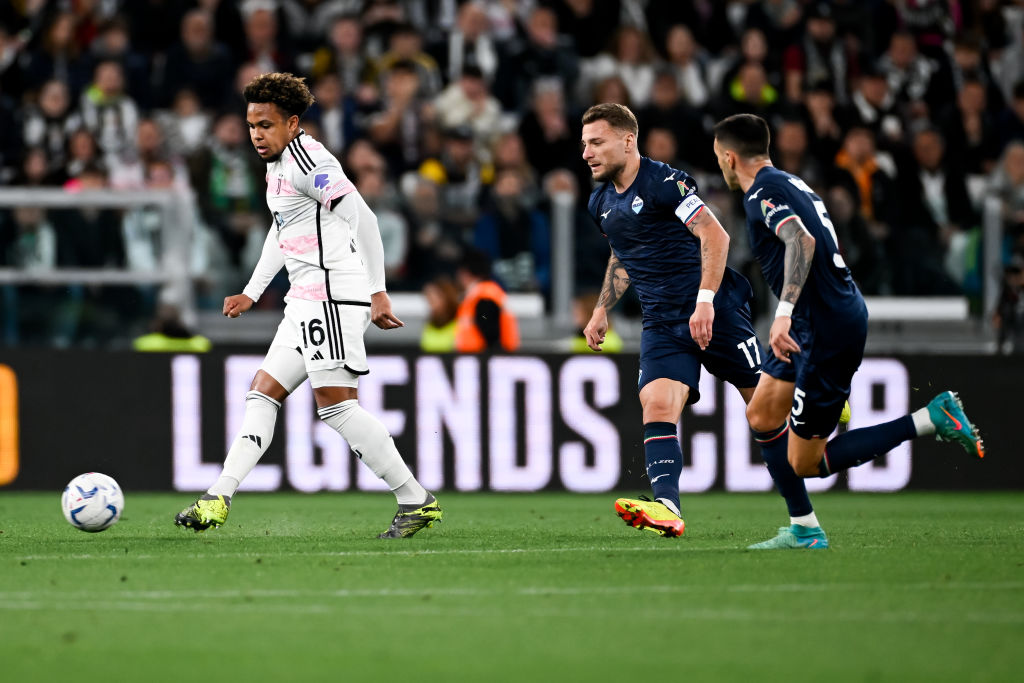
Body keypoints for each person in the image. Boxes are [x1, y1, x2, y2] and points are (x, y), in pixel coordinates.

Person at [174, 72, 441, 539]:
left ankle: (414, 497)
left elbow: (365, 217)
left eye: (266, 125)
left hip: (334, 296)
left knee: (336, 407)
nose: (256, 134)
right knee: (262, 391)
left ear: (292, 123)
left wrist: (378, 291)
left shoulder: (306, 160)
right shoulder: (276, 165)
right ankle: (217, 498)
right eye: (251, 124)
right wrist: (253, 291)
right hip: (304, 300)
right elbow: (284, 231)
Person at [712, 113, 985, 548]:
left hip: (822, 326)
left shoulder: (763, 192)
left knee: (805, 462)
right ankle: (803, 526)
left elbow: (802, 242)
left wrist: (782, 312)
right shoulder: (787, 181)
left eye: (718, 159)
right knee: (762, 414)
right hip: (817, 318)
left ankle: (931, 417)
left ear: (729, 157)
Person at [580, 103, 820, 543]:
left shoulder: (665, 182)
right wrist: (602, 308)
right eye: (584, 144)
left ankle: (804, 505)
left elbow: (715, 234)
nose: (587, 153)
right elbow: (625, 251)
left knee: (766, 413)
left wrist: (705, 301)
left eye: (596, 142)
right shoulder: (599, 200)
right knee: (656, 405)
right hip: (662, 322)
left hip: (716, 314)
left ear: (628, 140)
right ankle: (668, 507)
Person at [454, 248, 520, 353]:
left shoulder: (484, 296)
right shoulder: (486, 292)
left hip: (484, 361)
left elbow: (488, 323)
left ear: (465, 272)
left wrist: (480, 317)